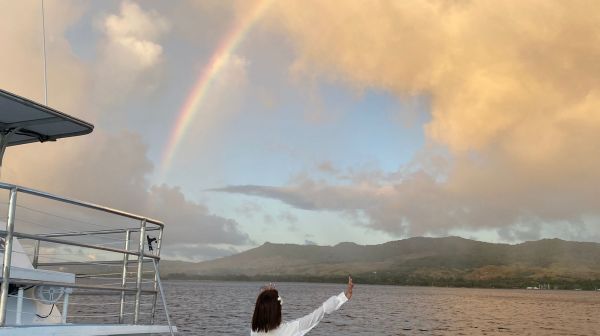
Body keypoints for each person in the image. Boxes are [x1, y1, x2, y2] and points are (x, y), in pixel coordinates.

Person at [251, 276, 354, 336]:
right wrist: (343, 297)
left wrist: (266, 296)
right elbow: (321, 311)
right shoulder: (290, 329)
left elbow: (262, 308)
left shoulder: (254, 330)